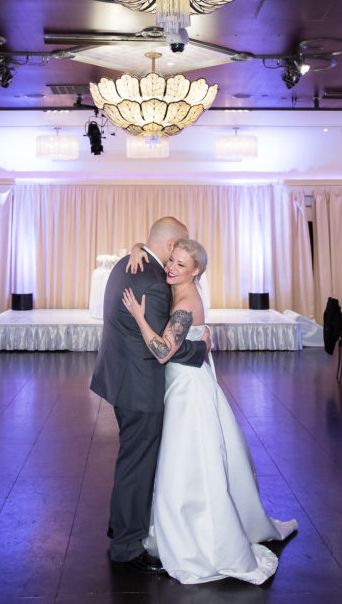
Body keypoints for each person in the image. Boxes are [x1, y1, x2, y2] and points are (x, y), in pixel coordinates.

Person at [123, 237, 296, 584]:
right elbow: (154, 258)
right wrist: (139, 247)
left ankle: (198, 535)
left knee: (188, 462)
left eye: (180, 265)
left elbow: (161, 351)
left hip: (188, 389)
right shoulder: (177, 285)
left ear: (196, 271)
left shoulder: (187, 302)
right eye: (171, 260)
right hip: (182, 381)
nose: (171, 267)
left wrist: (140, 318)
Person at [90, 217, 209, 574]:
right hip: (140, 385)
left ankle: (120, 522)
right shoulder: (155, 284)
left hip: (119, 378)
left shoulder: (124, 268)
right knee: (137, 465)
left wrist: (136, 246)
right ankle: (127, 546)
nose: (180, 253)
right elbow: (163, 348)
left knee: (131, 458)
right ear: (171, 245)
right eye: (180, 246)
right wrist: (201, 349)